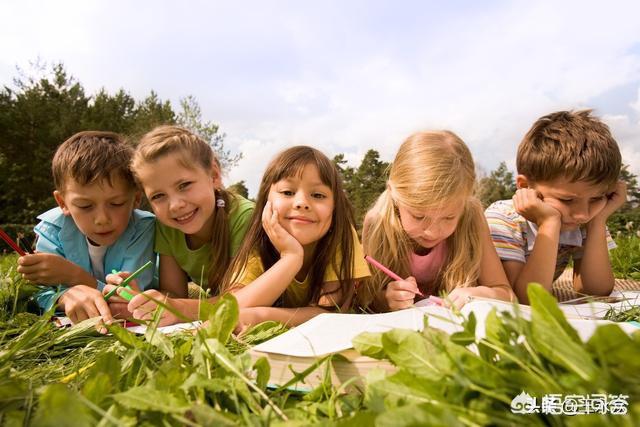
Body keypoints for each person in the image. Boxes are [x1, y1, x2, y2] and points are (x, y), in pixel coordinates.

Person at [220, 145, 370, 330]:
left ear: (334, 208)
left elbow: (330, 312)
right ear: (266, 201)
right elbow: (230, 311)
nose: (301, 203)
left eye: (317, 195)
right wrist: (291, 258)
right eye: (288, 192)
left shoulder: (341, 237)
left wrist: (263, 316)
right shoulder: (258, 245)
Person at [362, 131, 514, 311]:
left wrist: (480, 294)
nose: (432, 232)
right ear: (396, 198)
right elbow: (365, 297)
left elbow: (508, 295)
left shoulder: (471, 215)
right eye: (419, 216)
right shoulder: (378, 222)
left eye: (449, 217)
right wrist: (386, 299)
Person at [485, 110, 626, 303]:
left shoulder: (588, 217)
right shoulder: (503, 218)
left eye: (596, 198)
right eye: (567, 200)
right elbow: (524, 298)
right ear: (526, 186)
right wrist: (549, 223)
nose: (581, 214)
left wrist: (598, 222)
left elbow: (595, 290)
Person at [118, 125, 254, 324]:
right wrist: (143, 300)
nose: (175, 206)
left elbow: (242, 299)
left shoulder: (244, 217)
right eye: (158, 196)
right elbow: (174, 293)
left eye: (184, 185)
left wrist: (178, 308)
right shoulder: (166, 226)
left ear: (214, 176)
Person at [17, 131, 156, 325]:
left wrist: (74, 276)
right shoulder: (52, 230)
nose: (102, 219)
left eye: (116, 203)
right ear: (62, 202)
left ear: (136, 199)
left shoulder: (143, 228)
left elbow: (128, 298)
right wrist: (65, 298)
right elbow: (37, 294)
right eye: (85, 206)